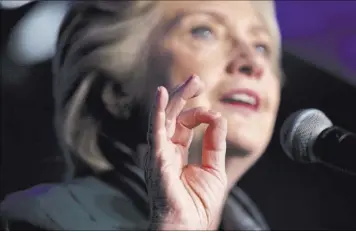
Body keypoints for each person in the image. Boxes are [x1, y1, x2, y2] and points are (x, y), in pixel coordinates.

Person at [0, 1, 283, 230]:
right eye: (204, 31)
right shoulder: (43, 219)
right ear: (117, 90)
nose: (252, 62)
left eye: (261, 46)